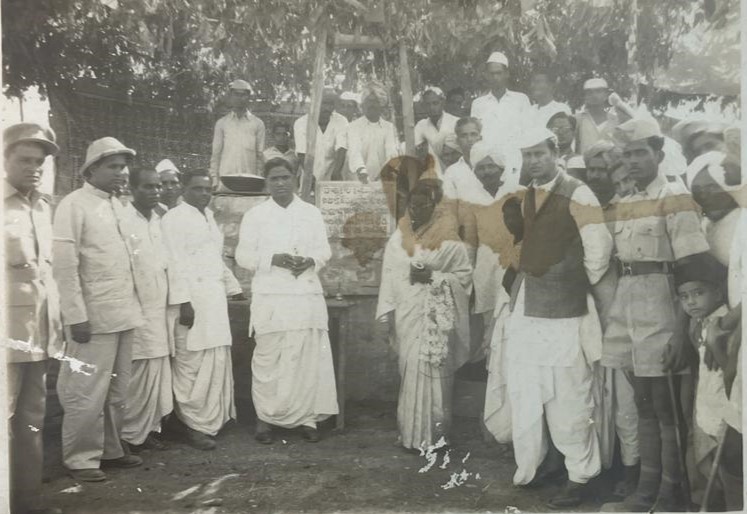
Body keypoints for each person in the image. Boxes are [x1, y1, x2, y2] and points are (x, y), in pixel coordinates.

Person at [600, 118, 711, 512]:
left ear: (659, 154)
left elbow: (691, 268)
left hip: (663, 308)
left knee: (667, 408)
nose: (632, 161)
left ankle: (670, 494)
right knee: (643, 403)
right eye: (627, 154)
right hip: (628, 306)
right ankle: (645, 491)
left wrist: (681, 332)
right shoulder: (627, 201)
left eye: (640, 153)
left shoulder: (674, 196)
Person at [505, 127, 613, 509]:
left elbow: (599, 248)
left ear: (556, 152)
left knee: (569, 393)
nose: (533, 161)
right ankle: (542, 464)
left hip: (566, 311)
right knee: (531, 389)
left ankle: (581, 475)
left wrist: (572, 281)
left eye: (539, 153)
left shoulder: (578, 192)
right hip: (530, 308)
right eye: (527, 155)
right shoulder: (528, 195)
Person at [53, 137, 144, 482]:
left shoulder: (119, 206)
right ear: (91, 170)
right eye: (113, 166)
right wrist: (76, 316)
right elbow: (65, 266)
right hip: (91, 319)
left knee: (117, 390)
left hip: (123, 313)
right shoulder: (73, 205)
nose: (122, 173)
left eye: (124, 167)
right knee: (86, 390)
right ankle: (80, 459)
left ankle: (111, 450)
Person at [235, 156, 338, 443]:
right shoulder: (255, 215)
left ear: (295, 179)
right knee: (269, 358)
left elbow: (324, 250)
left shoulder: (311, 213)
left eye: (285, 177)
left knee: (306, 358)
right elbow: (243, 256)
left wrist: (310, 260)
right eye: (274, 179)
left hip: (305, 294)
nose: (280, 183)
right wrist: (272, 259)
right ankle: (265, 419)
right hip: (271, 297)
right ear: (266, 183)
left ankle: (307, 419)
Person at [376, 179, 472, 450]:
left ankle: (436, 436)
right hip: (407, 313)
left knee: (434, 370)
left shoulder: (450, 240)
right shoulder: (398, 238)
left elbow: (464, 278)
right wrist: (386, 313)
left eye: (424, 205)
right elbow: (389, 275)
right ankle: (410, 435)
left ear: (436, 206)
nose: (417, 211)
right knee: (410, 369)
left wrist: (434, 276)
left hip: (435, 316)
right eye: (413, 205)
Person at [3, 123, 63, 514]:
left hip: (38, 334)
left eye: (39, 162)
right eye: (25, 160)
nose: (34, 168)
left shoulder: (43, 207)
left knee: (30, 423)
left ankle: (27, 504)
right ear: (5, 160)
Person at [161, 169, 243, 450]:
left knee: (214, 356)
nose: (204, 194)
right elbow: (173, 263)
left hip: (213, 299)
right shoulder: (174, 218)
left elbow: (214, 258)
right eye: (197, 188)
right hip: (190, 302)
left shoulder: (208, 217)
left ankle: (212, 419)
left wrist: (233, 287)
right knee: (190, 361)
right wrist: (184, 302)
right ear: (184, 189)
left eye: (208, 189)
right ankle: (189, 424)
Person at [583, 140, 641, 498]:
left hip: (627, 315)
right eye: (591, 170)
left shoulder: (629, 207)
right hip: (593, 314)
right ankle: (601, 464)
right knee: (595, 393)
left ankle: (632, 469)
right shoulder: (585, 208)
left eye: (602, 170)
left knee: (626, 399)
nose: (595, 176)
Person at [673, 255, 736, 510]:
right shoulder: (696, 323)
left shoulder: (724, 324)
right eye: (684, 297)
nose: (691, 302)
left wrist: (715, 345)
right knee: (707, 460)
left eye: (698, 293)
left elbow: (729, 368)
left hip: (724, 402)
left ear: (718, 293)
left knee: (724, 462)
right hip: (707, 401)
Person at [119, 167, 173, 452]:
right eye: (148, 187)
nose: (155, 191)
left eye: (158, 186)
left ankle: (148, 429)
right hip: (135, 306)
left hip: (158, 306)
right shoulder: (124, 219)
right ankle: (126, 434)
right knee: (136, 371)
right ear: (132, 188)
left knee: (156, 368)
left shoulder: (159, 220)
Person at [470, 51, 532, 175]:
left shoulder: (521, 100)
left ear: (506, 74)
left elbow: (528, 133)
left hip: (515, 163)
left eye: (499, 73)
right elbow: (475, 137)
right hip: (488, 166)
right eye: (491, 74)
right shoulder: (478, 104)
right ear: (486, 75)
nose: (495, 77)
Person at [210, 79, 266, 180]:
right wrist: (214, 179)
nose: (240, 98)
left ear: (249, 97)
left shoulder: (258, 124)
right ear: (231, 96)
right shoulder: (222, 123)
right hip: (225, 179)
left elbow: (260, 156)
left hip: (249, 179)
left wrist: (258, 180)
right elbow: (216, 154)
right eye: (236, 94)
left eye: (243, 95)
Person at [347, 82, 399, 183]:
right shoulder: (353, 127)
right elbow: (354, 152)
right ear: (363, 105)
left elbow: (391, 152)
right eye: (368, 101)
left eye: (375, 101)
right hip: (358, 180)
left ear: (382, 105)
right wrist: (361, 171)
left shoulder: (389, 128)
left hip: (382, 180)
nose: (372, 105)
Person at [294, 88, 348, 181]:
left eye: (331, 104)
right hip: (309, 177)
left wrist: (336, 172)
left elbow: (342, 148)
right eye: (324, 103)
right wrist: (310, 177)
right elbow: (301, 153)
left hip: (332, 176)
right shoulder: (301, 123)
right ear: (315, 103)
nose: (327, 108)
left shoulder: (341, 121)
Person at [414, 86, 459, 172]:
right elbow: (417, 148)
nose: (431, 108)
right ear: (423, 106)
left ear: (443, 103)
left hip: (454, 169)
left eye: (435, 103)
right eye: (428, 104)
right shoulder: (421, 125)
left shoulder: (455, 122)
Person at [575, 78, 618, 154]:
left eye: (598, 91)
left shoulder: (616, 120)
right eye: (589, 92)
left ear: (606, 94)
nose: (594, 95)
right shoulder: (577, 119)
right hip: (583, 161)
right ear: (585, 96)